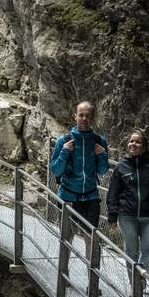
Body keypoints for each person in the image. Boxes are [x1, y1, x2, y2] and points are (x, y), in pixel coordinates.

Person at [108, 129, 149, 279]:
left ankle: (138, 276)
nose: (133, 144)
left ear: (145, 147)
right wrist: (112, 215)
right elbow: (113, 192)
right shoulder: (121, 167)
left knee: (148, 251)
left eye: (137, 141)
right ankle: (135, 285)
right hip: (127, 216)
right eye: (131, 141)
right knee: (131, 251)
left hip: (148, 217)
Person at [49, 101, 108, 235]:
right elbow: (55, 170)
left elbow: (102, 171)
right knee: (66, 238)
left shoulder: (99, 141)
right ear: (75, 116)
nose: (84, 119)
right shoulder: (64, 140)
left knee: (92, 239)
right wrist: (64, 152)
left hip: (91, 197)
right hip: (67, 197)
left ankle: (89, 257)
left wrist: (102, 155)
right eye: (81, 115)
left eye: (88, 115)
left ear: (92, 118)